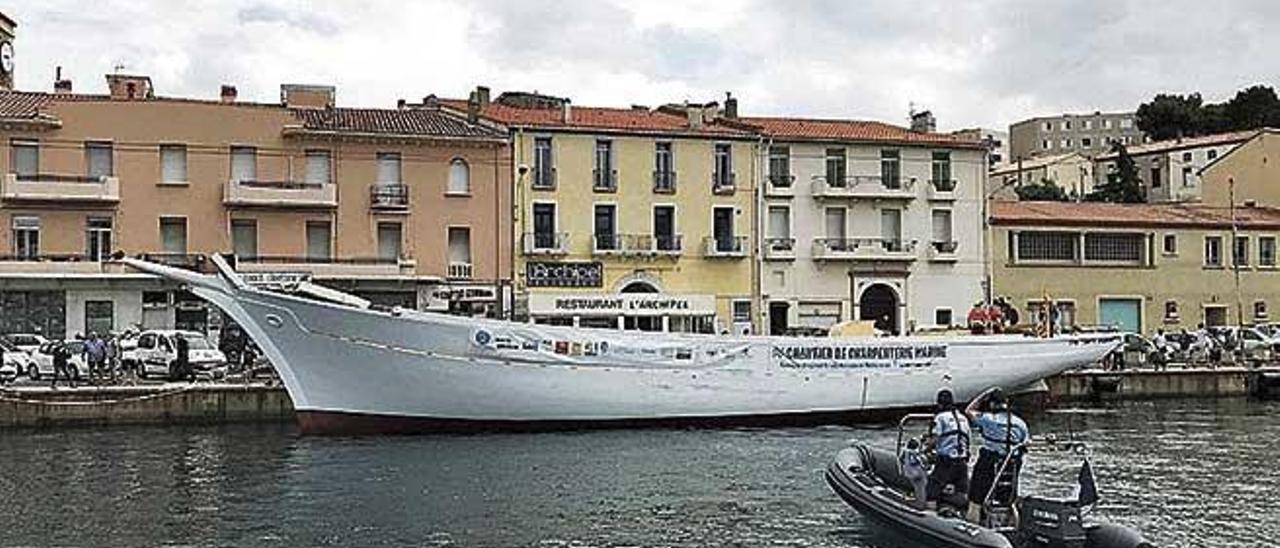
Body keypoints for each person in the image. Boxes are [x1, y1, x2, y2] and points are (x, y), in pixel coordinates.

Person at [965, 387, 1029, 524]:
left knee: (975, 499)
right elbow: (1025, 444)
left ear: (992, 404)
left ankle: (972, 525)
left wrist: (983, 395)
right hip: (1011, 465)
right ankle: (1014, 526)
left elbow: (969, 411)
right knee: (1009, 500)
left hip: (989, 463)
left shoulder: (988, 419)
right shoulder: (1020, 423)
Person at [926, 388, 971, 512]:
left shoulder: (940, 418)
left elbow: (934, 439)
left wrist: (925, 448)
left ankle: (930, 519)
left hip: (946, 462)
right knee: (962, 492)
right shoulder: (963, 418)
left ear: (939, 403)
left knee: (931, 491)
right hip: (962, 462)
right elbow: (968, 440)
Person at [900, 437, 929, 509]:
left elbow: (901, 459)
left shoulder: (905, 452)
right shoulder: (916, 453)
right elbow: (922, 461)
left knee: (916, 487)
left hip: (909, 472)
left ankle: (917, 499)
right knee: (921, 488)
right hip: (918, 472)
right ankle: (921, 503)